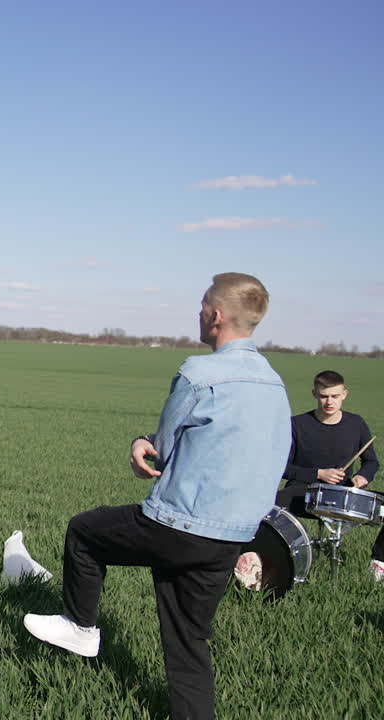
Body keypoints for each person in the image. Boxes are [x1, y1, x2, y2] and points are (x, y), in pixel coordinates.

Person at [23, 273, 290, 720]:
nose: (199, 312)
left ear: (216, 315)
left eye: (203, 305)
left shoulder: (199, 373)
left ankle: (80, 626)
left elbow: (163, 451)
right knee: (188, 640)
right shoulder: (274, 383)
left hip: (180, 524)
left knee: (84, 532)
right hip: (234, 535)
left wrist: (141, 444)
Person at [275, 370, 382, 580]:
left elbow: (371, 462)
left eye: (334, 396)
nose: (329, 402)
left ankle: (379, 564)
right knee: (270, 506)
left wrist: (363, 477)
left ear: (345, 394)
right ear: (314, 393)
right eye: (324, 396)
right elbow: (281, 467)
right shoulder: (297, 424)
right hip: (302, 491)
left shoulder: (356, 424)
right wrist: (318, 473)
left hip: (342, 494)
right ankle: (281, 562)